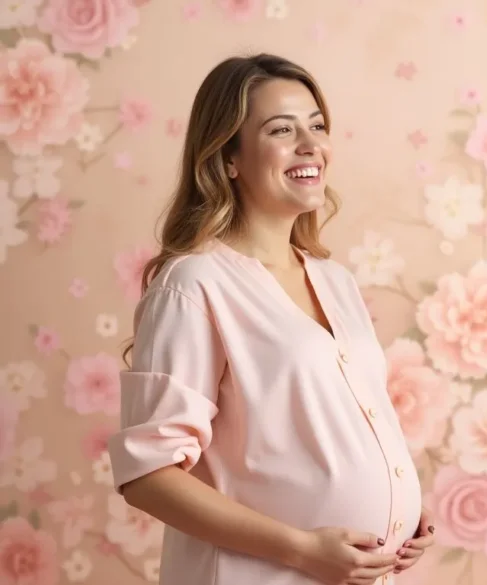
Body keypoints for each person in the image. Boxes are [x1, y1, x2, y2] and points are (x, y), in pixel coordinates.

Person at [107, 53, 434, 585]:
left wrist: (400, 508)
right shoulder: (194, 285)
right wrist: (302, 549)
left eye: (318, 126)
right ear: (228, 157)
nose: (310, 145)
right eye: (282, 129)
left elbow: (325, 427)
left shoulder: (335, 281)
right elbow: (149, 474)